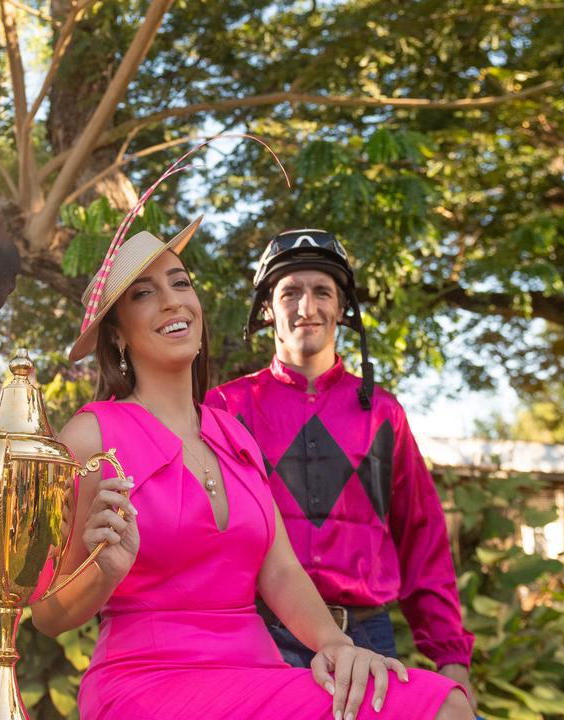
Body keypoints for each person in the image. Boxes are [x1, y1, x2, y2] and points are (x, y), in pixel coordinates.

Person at [29, 220, 472, 720]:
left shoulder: (233, 432)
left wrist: (335, 644)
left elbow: (280, 569)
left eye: (180, 283)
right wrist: (101, 574)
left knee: (442, 702)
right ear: (117, 333)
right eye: (144, 294)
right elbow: (46, 613)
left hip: (261, 669)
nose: (173, 301)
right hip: (150, 681)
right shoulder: (90, 436)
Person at [204, 228, 477, 710]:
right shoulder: (225, 406)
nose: (306, 306)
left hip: (366, 637)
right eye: (290, 292)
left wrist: (451, 656)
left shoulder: (384, 413)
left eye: (321, 291)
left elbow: (422, 537)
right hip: (258, 636)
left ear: (342, 308)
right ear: (268, 309)